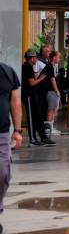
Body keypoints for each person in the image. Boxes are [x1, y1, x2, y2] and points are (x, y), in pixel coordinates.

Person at [0, 61, 24, 233]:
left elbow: (15, 101)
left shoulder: (7, 72)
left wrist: (17, 130)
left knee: (3, 173)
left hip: (1, 133)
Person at [21, 50, 50, 146]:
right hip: (28, 95)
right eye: (35, 58)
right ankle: (33, 139)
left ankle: (43, 137)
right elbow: (31, 83)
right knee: (31, 118)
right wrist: (41, 78)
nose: (36, 59)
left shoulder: (29, 67)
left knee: (38, 115)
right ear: (32, 58)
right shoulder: (27, 67)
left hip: (33, 95)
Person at [43, 51, 62, 137]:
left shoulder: (53, 66)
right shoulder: (50, 66)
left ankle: (51, 127)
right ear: (54, 58)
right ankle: (48, 129)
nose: (59, 59)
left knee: (54, 109)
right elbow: (52, 79)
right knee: (51, 109)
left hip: (52, 91)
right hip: (51, 91)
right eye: (58, 57)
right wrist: (56, 90)